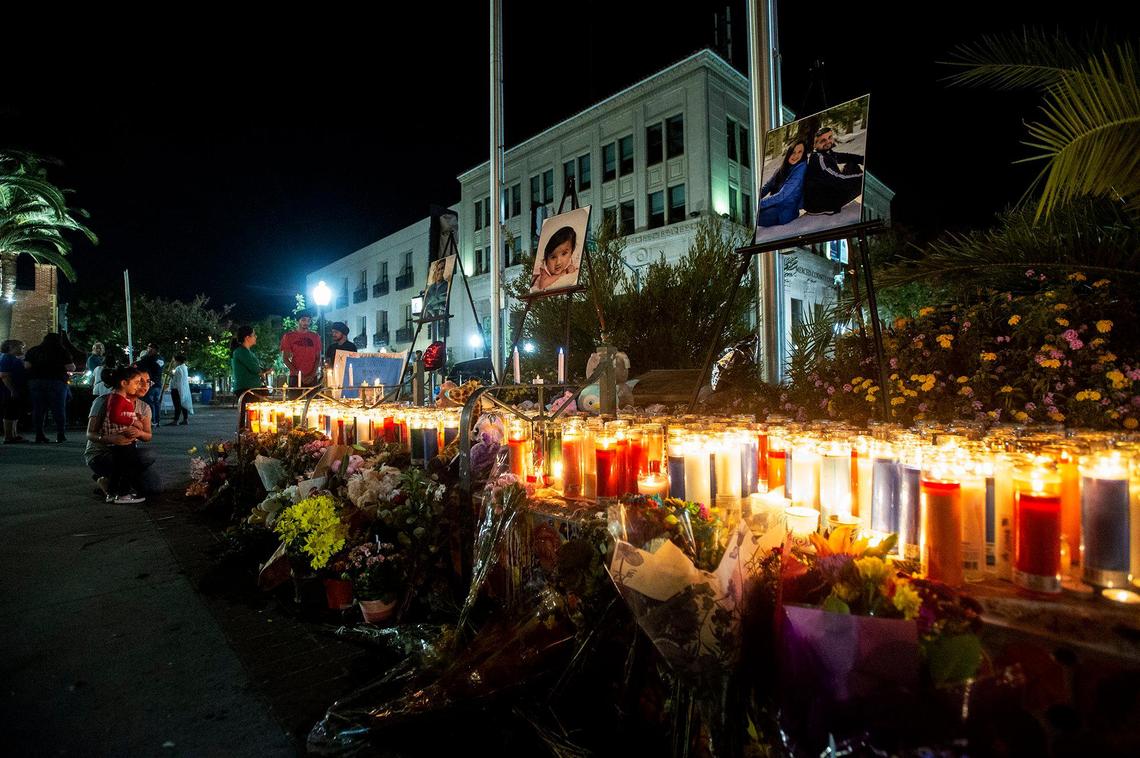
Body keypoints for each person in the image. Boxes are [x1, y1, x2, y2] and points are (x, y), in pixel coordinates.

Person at [85, 365, 156, 504]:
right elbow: (90, 433)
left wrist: (139, 431)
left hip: (126, 449)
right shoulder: (105, 400)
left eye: (148, 381)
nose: (144, 385)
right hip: (101, 453)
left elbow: (148, 436)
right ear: (125, 382)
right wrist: (109, 438)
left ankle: (109, 484)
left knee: (153, 487)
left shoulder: (144, 407)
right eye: (139, 381)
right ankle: (119, 490)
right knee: (132, 465)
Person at [24, 332, 76, 443]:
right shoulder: (62, 351)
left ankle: (39, 434)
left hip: (36, 381)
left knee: (38, 409)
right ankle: (60, 434)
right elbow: (70, 367)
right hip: (56, 381)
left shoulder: (34, 350)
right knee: (59, 408)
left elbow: (27, 365)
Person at [801, 126, 865, 215]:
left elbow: (845, 157)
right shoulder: (819, 158)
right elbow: (838, 179)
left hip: (826, 191)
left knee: (852, 165)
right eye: (823, 141)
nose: (828, 142)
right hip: (821, 205)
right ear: (814, 145)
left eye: (830, 137)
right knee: (863, 181)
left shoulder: (826, 152)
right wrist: (865, 177)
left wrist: (863, 160)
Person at [757, 141, 810, 227]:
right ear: (789, 152)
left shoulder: (800, 171)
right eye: (793, 152)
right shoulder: (783, 168)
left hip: (785, 211)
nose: (796, 156)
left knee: (755, 217)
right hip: (774, 205)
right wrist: (753, 200)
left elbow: (782, 195)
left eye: (800, 152)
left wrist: (758, 205)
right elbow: (767, 186)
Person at [232, 325, 266, 431]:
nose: (256, 337)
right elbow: (255, 369)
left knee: (252, 416)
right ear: (247, 337)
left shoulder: (247, 352)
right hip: (246, 388)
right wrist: (263, 371)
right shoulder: (241, 352)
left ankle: (248, 437)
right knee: (249, 416)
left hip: (251, 388)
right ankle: (244, 438)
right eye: (254, 335)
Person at [530, 226, 579, 291]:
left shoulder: (572, 259)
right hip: (536, 282)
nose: (558, 262)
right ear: (546, 258)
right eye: (553, 257)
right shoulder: (545, 268)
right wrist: (563, 272)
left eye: (564, 254)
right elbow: (542, 285)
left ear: (571, 252)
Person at [280, 311, 322, 386]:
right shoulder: (289, 337)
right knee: (295, 398)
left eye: (308, 320)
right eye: (303, 320)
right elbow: (285, 359)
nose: (306, 323)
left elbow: (318, 358)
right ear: (297, 321)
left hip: (312, 377)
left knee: (314, 398)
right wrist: (299, 375)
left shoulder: (315, 337)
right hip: (295, 377)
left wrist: (312, 375)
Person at [1, 339, 29, 443]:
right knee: (10, 412)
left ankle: (14, 434)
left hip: (15, 389)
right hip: (9, 391)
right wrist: (12, 390)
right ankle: (8, 436)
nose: (22, 348)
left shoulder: (11, 358)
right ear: (11, 348)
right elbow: (4, 375)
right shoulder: (6, 358)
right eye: (20, 347)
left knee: (14, 412)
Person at [134, 343, 165, 425]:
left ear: (154, 349)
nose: (148, 350)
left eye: (150, 348)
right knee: (156, 403)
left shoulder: (149, 358)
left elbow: (138, 364)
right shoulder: (161, 359)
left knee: (149, 402)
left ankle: (151, 420)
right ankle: (157, 421)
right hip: (158, 383)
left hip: (150, 383)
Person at [167, 354, 194, 426]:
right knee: (183, 404)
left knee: (177, 405)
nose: (174, 362)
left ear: (177, 361)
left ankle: (176, 420)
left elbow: (176, 380)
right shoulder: (184, 367)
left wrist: (170, 375)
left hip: (176, 389)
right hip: (182, 388)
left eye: (174, 361)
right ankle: (185, 419)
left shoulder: (178, 368)